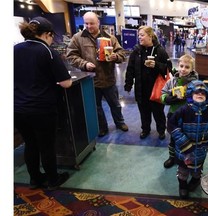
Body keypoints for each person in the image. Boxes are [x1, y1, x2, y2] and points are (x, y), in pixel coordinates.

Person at [14, 16, 72, 189]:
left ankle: (35, 179)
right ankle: (53, 180)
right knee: (46, 146)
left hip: (17, 107)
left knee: (30, 144)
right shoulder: (46, 51)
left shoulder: (14, 49)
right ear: (47, 34)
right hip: (41, 108)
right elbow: (66, 83)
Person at [66, 11, 128, 137]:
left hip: (109, 79)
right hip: (91, 80)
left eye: (92, 23)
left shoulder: (110, 38)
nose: (89, 26)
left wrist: (116, 56)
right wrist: (84, 64)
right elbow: (71, 56)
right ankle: (102, 127)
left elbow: (122, 54)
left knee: (115, 105)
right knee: (96, 107)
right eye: (86, 23)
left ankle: (120, 122)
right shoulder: (78, 38)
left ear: (98, 23)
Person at [167, 80, 208, 199]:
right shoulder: (183, 111)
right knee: (183, 171)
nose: (200, 94)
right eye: (196, 92)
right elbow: (172, 126)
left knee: (197, 169)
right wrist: (184, 143)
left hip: (200, 150)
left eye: (203, 93)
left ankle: (195, 180)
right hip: (184, 150)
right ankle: (182, 186)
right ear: (190, 95)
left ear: (207, 96)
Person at [124, 26, 172, 140]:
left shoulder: (160, 50)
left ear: (150, 36)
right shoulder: (136, 51)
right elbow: (130, 68)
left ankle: (161, 130)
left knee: (158, 112)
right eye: (139, 35)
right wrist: (128, 84)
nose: (139, 37)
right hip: (141, 88)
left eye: (142, 35)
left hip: (156, 89)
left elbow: (169, 67)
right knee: (144, 112)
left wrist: (156, 64)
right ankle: (145, 129)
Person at [161, 54, 198, 168]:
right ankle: (172, 157)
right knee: (173, 138)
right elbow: (163, 94)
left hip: (188, 116)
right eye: (181, 66)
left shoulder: (195, 84)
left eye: (187, 67)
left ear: (192, 69)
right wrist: (167, 99)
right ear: (177, 66)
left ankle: (185, 158)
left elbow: (203, 96)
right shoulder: (172, 82)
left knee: (186, 139)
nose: (183, 69)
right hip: (173, 115)